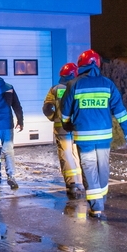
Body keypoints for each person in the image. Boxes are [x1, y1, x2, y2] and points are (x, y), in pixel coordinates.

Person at [59, 49, 127, 219]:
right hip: (103, 137)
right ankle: (101, 200)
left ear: (81, 66)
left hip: (84, 137)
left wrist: (67, 124)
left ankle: (96, 207)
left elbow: (65, 112)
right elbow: (120, 110)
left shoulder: (74, 84)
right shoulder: (107, 84)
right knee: (103, 168)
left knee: (89, 169)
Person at [42, 62, 84, 199]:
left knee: (66, 155)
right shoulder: (79, 86)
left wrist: (54, 118)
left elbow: (47, 107)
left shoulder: (55, 89)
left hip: (61, 128)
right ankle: (80, 182)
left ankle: (72, 184)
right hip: (77, 128)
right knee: (76, 154)